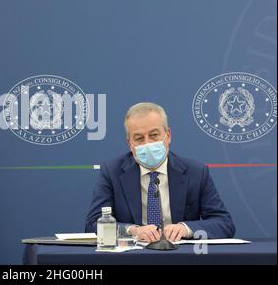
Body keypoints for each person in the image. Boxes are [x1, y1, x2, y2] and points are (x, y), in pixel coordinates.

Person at [85, 102, 235, 242]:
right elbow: (93, 224)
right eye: (139, 138)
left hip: (181, 257)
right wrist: (133, 231)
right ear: (130, 144)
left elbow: (224, 223)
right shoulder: (112, 172)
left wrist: (185, 229)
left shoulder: (196, 172)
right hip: (133, 257)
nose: (148, 143)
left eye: (154, 135)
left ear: (168, 135)